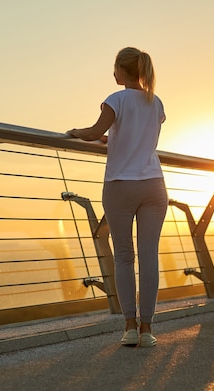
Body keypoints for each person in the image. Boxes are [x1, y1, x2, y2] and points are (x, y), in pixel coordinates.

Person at [67, 47, 168, 347]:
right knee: (149, 256)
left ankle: (128, 327)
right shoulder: (156, 102)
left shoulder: (116, 100)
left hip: (120, 185)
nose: (112, 74)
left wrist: (75, 132)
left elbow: (95, 131)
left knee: (124, 256)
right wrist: (106, 138)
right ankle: (147, 330)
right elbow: (135, 136)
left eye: (114, 68)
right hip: (153, 185)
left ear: (122, 71)